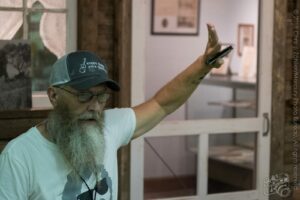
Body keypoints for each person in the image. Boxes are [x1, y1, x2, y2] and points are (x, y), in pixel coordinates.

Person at [0, 24, 223, 200]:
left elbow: (163, 103)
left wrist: (203, 65)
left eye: (101, 96)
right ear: (54, 96)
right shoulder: (19, 157)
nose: (95, 107)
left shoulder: (110, 125)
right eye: (84, 95)